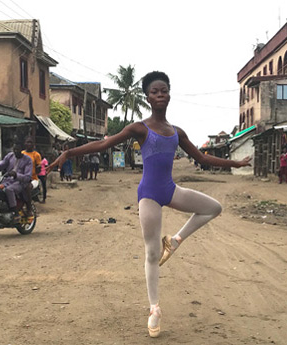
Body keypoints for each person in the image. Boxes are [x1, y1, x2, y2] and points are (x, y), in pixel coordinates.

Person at [47, 71, 251, 338]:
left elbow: (202, 157)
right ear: (147, 97)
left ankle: (175, 241)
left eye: (164, 90)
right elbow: (104, 143)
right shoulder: (139, 129)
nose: (160, 95)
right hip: (150, 196)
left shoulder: (177, 133)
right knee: (152, 253)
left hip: (170, 190)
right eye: (155, 91)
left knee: (213, 208)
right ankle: (154, 308)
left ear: (169, 94)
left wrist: (234, 163)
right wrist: (69, 152)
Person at [0, 142, 32, 221]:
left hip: (20, 183)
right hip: (7, 181)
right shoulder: (10, 156)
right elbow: (1, 165)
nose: (16, 151)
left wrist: (16, 175)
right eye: (14, 149)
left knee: (9, 190)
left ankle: (15, 212)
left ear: (21, 150)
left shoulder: (28, 160)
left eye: (18, 150)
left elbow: (27, 176)